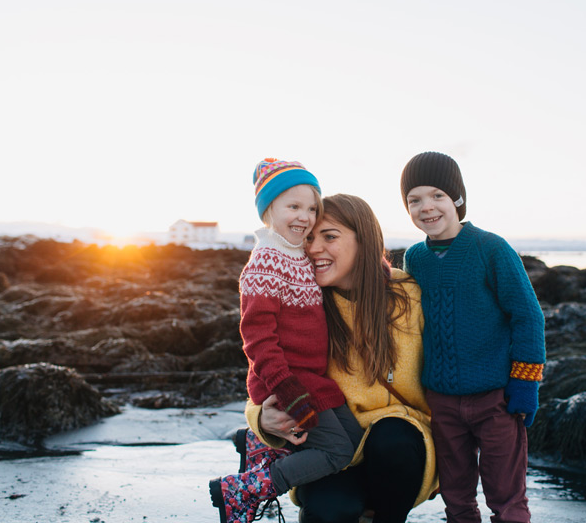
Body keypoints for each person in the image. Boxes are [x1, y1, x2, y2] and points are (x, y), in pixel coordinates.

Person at [244, 193, 438, 523]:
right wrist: (261, 418)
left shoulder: (411, 297)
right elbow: (264, 366)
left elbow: (452, 379)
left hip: (399, 453)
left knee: (391, 436)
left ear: (364, 240)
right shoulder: (305, 302)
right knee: (327, 511)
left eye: (329, 236)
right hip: (332, 451)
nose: (314, 248)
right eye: (309, 237)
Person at [210, 159, 362, 523]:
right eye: (293, 206)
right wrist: (288, 392)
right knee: (338, 451)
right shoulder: (265, 262)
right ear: (269, 211)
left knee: (355, 440)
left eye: (312, 208)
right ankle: (244, 490)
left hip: (312, 379)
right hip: (286, 382)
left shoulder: (300, 255)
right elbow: (257, 339)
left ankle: (265, 450)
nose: (305, 216)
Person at [399, 151, 546, 523]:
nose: (426, 207)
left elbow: (528, 317)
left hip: (496, 398)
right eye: (414, 200)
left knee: (507, 498)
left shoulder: (491, 249)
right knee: (457, 497)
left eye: (437, 196)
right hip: (442, 401)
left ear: (457, 200)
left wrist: (525, 382)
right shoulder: (415, 258)